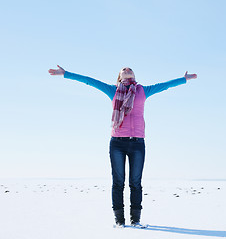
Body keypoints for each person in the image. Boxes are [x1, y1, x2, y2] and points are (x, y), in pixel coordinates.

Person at [48, 65, 197, 228]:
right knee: (118, 182)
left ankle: (136, 220)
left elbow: (165, 85)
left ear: (134, 74)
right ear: (119, 76)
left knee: (135, 182)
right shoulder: (113, 91)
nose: (127, 69)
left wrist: (183, 79)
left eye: (129, 69)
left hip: (137, 143)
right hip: (117, 143)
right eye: (123, 69)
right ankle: (119, 221)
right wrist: (66, 74)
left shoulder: (142, 91)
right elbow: (89, 81)